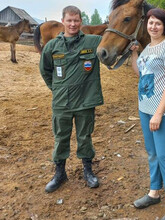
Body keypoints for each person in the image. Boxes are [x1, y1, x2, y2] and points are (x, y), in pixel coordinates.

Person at [39, 5, 103, 193]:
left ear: (81, 21)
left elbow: (115, 43)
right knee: (60, 138)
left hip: (85, 101)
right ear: (63, 22)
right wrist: (57, 89)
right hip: (62, 103)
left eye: (76, 20)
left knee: (85, 137)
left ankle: (88, 171)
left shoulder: (93, 42)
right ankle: (59, 173)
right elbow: (45, 70)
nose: (73, 24)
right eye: (69, 20)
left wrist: (133, 47)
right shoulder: (52, 46)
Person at [130, 8, 165, 220]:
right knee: (152, 153)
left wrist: (159, 114)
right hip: (145, 109)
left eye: (158, 23)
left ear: (164, 27)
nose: (153, 26)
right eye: (151, 22)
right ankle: (154, 192)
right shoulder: (148, 49)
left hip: (163, 112)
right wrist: (134, 52)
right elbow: (140, 74)